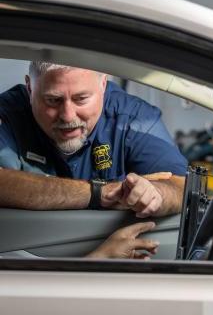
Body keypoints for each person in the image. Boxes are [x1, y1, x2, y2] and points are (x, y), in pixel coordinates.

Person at [0, 62, 188, 259]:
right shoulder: (7, 114)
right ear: (30, 88)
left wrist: (155, 194)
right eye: (53, 100)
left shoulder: (133, 117)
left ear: (104, 85)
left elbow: (180, 185)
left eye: (81, 99)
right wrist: (100, 192)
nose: (67, 116)